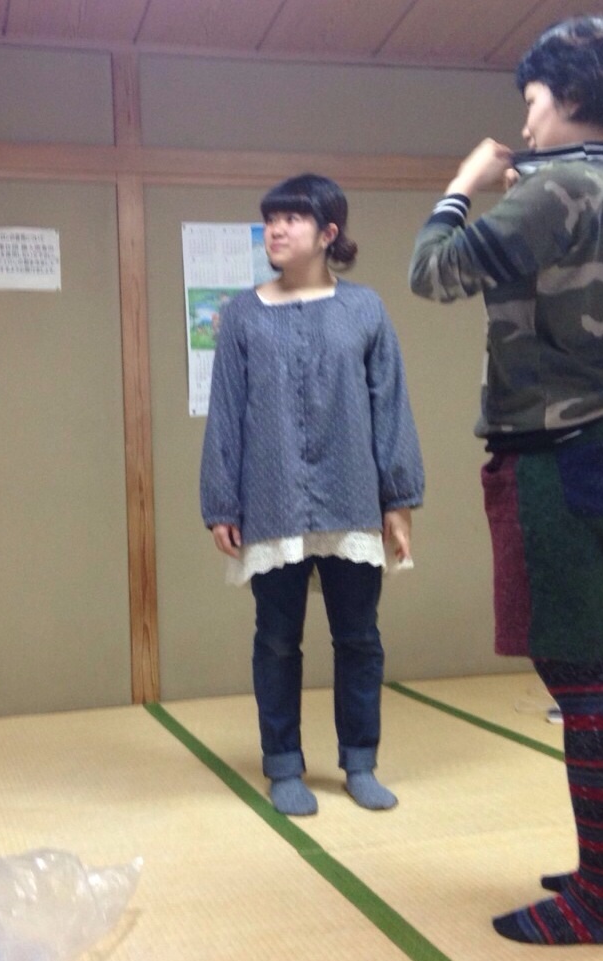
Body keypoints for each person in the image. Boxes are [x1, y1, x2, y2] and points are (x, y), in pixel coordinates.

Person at [409, 15, 603, 946]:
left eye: (532, 100)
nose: (524, 119)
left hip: (557, 464)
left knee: (584, 681)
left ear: (573, 96)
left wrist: (463, 185)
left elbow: (431, 271)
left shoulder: (555, 187)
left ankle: (597, 903)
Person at [201, 173, 424, 817]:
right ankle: (283, 766)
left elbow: (390, 406)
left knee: (359, 637)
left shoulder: (365, 309)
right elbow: (226, 412)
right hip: (270, 500)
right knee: (276, 639)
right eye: (270, 218)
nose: (275, 229)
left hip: (353, 497)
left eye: (291, 218)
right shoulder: (242, 314)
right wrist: (221, 502)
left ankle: (360, 762)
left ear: (328, 233)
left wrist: (398, 500)